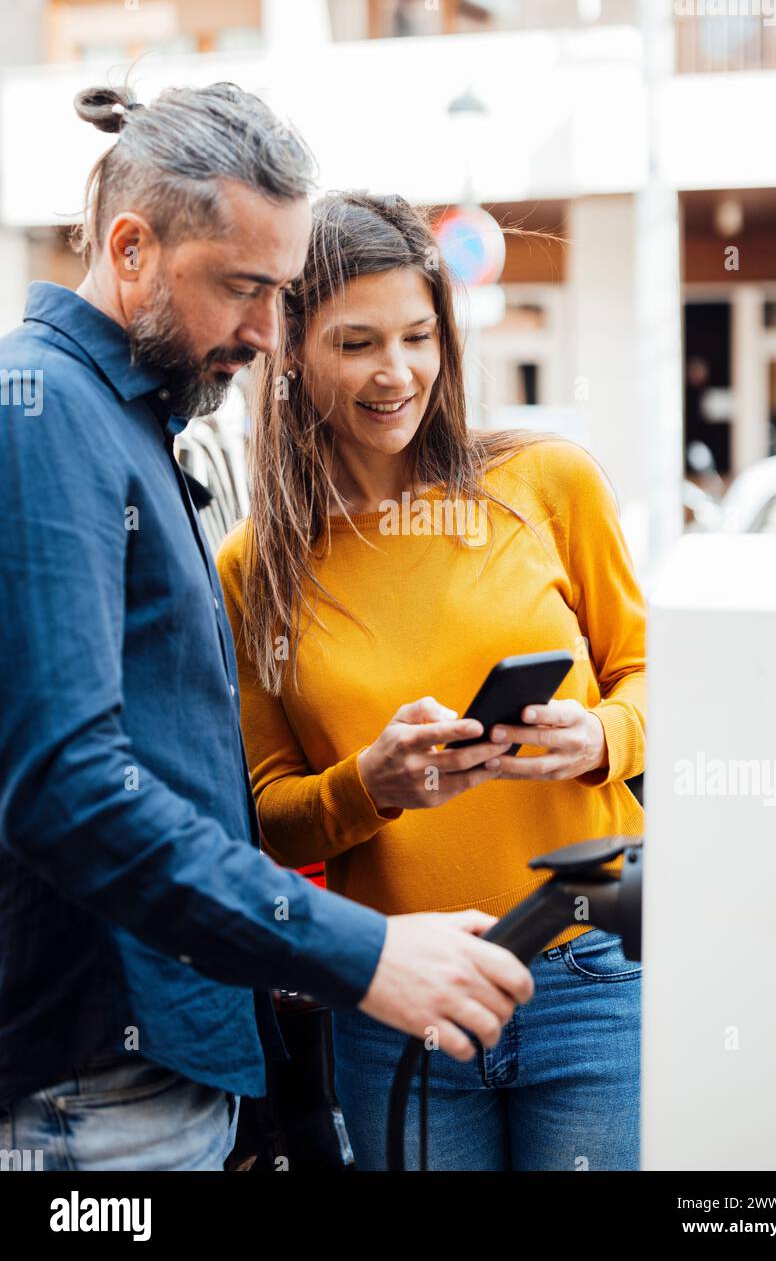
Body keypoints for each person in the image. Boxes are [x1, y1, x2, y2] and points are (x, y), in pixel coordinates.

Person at [0, 86, 532, 1172]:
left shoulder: (126, 416)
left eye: (282, 294)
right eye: (244, 289)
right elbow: (69, 787)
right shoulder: (43, 414)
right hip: (92, 1094)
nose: (266, 333)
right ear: (132, 248)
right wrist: (362, 951)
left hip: (155, 1076)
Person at [217, 191, 647, 1172]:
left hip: (585, 975)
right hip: (399, 997)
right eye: (358, 341)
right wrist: (371, 784)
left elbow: (649, 672)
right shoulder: (256, 569)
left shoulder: (549, 483)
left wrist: (603, 738)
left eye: (419, 335)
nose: (397, 371)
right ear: (291, 351)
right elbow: (267, 812)